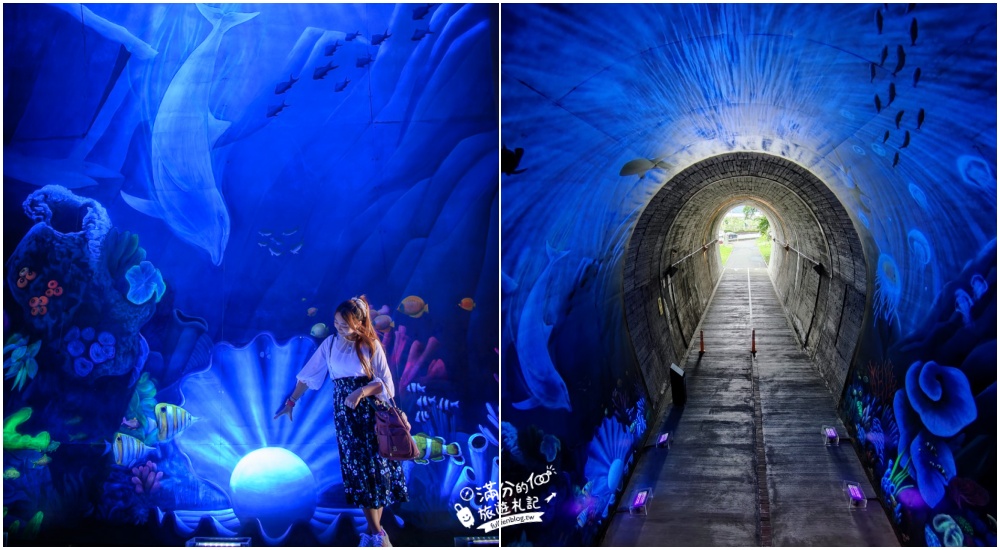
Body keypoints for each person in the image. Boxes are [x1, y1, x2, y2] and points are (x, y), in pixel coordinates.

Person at [274, 295, 408, 547]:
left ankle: (375, 535)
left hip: (371, 413)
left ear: (359, 323)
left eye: (344, 324)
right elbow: (308, 375)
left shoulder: (370, 345)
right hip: (347, 418)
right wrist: (291, 402)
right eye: (336, 323)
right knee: (360, 473)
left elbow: (386, 384)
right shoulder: (330, 344)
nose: (339, 328)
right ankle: (376, 535)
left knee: (374, 473)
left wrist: (361, 392)